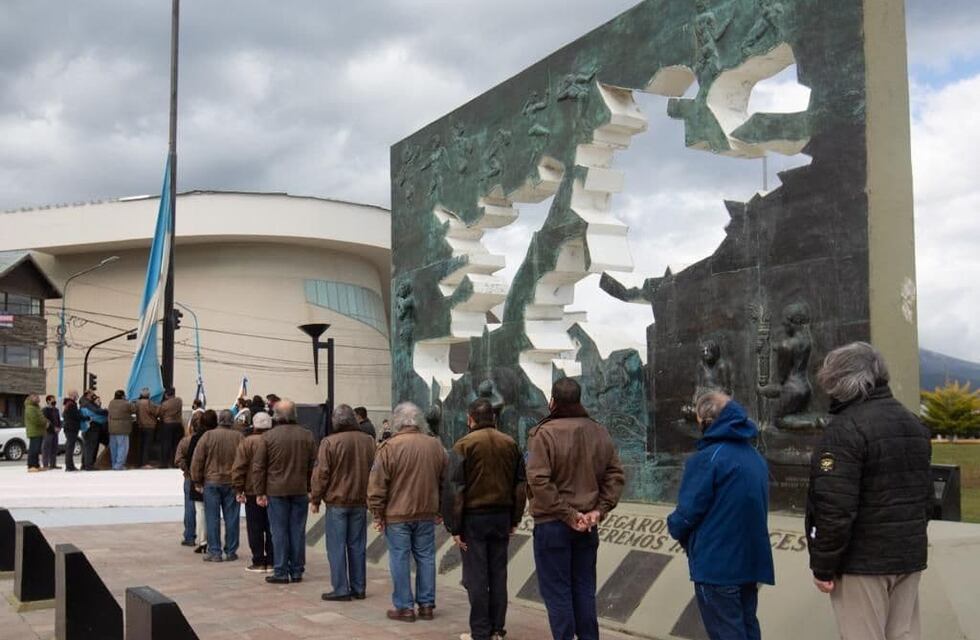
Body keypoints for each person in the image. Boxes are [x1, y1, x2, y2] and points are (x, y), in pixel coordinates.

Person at [806, 342, 931, 640]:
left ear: (839, 380)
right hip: (908, 556)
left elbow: (835, 508)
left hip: (862, 562)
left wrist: (823, 567)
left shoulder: (844, 430)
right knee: (903, 634)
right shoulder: (914, 423)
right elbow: (925, 497)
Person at [667, 393, 774, 640]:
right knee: (748, 627)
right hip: (749, 561)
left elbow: (687, 513)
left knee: (726, 632)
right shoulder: (755, 457)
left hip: (717, 564)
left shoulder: (708, 458)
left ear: (706, 421)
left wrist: (674, 526)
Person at [526, 377, 625, 640]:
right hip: (588, 524)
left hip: (553, 524)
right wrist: (599, 510)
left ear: (553, 402)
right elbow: (615, 474)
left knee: (558, 592)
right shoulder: (599, 431)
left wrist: (569, 515)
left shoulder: (543, 434)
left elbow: (538, 480)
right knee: (584, 589)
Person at [444, 398, 526, 640]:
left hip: (474, 518)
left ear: (470, 419)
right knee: (498, 574)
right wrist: (515, 518)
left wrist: (454, 527)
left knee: (477, 576)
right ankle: (497, 628)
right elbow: (520, 485)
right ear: (494, 418)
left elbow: (455, 489)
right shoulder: (510, 443)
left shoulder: (463, 445)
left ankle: (480, 631)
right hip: (502, 517)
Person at [367, 402, 448, 623]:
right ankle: (427, 605)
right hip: (426, 512)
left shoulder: (389, 447)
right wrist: (440, 509)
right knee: (426, 557)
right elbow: (445, 482)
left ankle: (404, 607)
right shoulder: (435, 446)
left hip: (397, 514)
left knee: (400, 559)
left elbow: (377, 485)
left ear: (398, 421)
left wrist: (377, 513)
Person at [310, 404, 376, 601]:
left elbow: (322, 473)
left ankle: (340, 588)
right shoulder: (368, 441)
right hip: (360, 500)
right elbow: (375, 471)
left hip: (337, 501)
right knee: (357, 546)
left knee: (336, 547)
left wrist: (315, 498)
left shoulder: (329, 442)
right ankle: (358, 587)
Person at [251, 399, 317, 584]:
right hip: (299, 489)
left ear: (276, 416)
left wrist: (259, 492)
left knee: (279, 532)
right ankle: (296, 570)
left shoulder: (268, 437)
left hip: (276, 490)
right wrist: (311, 488)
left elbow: (259, 467)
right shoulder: (307, 435)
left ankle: (280, 570)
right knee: (297, 531)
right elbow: (313, 465)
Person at [191, 409, 244, 562]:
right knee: (232, 518)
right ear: (232, 421)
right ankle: (231, 551)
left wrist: (196, 480)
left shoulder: (208, 436)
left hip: (212, 481)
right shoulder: (239, 437)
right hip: (232, 482)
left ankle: (215, 551)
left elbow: (198, 459)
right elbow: (244, 460)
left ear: (219, 420)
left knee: (212, 517)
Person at [232, 410, 275, 573]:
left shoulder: (247, 442)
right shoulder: (274, 441)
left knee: (255, 527)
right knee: (272, 526)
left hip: (252, 490)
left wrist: (238, 489)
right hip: (272, 490)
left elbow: (239, 467)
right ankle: (272, 560)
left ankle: (258, 560)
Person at [183, 409, 216, 553]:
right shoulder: (219, 436)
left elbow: (192, 460)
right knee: (215, 511)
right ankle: (215, 541)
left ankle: (203, 541)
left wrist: (195, 479)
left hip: (201, 479)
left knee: (201, 510)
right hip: (218, 478)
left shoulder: (197, 438)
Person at [174, 423, 197, 548]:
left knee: (190, 507)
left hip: (190, 477)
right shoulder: (207, 439)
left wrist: (186, 469)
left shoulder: (185, 441)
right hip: (206, 477)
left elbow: (178, 459)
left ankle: (189, 535)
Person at [107, 390, 134, 471]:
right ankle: (119, 465)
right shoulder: (126, 403)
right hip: (122, 428)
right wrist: (130, 401)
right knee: (123, 447)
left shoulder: (111, 403)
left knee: (113, 448)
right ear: (122, 396)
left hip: (112, 428)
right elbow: (134, 409)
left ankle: (114, 464)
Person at [158, 387, 183, 470]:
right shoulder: (179, 401)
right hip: (178, 424)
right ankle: (175, 462)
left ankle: (164, 463)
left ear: (166, 395)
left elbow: (160, 413)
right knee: (176, 444)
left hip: (168, 424)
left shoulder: (165, 404)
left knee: (166, 444)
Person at [134, 388, 159, 468]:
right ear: (148, 395)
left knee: (140, 445)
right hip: (149, 426)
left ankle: (139, 462)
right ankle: (145, 463)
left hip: (140, 425)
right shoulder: (149, 403)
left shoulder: (137, 403)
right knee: (147, 445)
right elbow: (156, 412)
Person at [24, 394, 45, 472]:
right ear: (31, 398)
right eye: (36, 397)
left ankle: (36, 465)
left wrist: (45, 421)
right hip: (34, 431)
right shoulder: (30, 408)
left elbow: (41, 417)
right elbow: (35, 419)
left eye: (38, 397)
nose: (38, 398)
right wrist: (45, 422)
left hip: (38, 431)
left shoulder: (36, 407)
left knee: (37, 450)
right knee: (33, 449)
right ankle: (31, 466)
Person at [62, 392, 82, 472]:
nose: (77, 396)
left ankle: (70, 465)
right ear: (72, 396)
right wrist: (85, 417)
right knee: (70, 447)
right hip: (71, 428)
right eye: (76, 395)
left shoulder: (68, 404)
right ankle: (69, 466)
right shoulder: (71, 404)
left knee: (70, 447)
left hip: (69, 428)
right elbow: (76, 415)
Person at [41, 395, 62, 470]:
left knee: (54, 448)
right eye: (52, 400)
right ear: (48, 401)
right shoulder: (45, 410)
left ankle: (53, 464)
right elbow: (47, 421)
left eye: (54, 399)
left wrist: (59, 427)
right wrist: (54, 428)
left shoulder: (56, 410)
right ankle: (45, 465)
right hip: (48, 431)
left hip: (55, 432)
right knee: (46, 449)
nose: (54, 401)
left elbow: (58, 419)